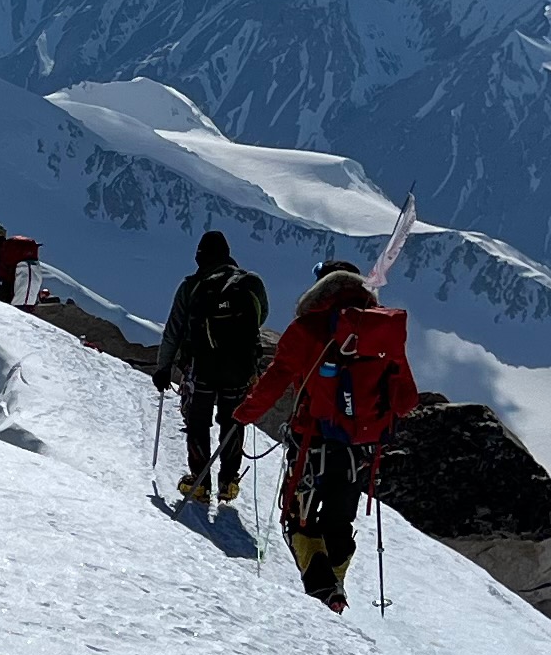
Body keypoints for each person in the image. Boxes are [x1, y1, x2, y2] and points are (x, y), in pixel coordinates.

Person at [236, 256, 418, 611]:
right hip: (359, 450)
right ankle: (333, 590)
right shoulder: (381, 334)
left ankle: (322, 592)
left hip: (311, 443)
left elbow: (276, 378)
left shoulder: (309, 327)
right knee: (338, 522)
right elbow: (407, 399)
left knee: (297, 518)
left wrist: (244, 414)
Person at [150, 228, 270, 506]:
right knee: (232, 422)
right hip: (239, 368)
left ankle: (200, 482)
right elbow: (261, 315)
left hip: (200, 367)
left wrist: (163, 367)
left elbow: (174, 330)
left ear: (199, 257)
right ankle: (228, 481)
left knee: (197, 422)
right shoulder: (251, 283)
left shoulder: (191, 286)